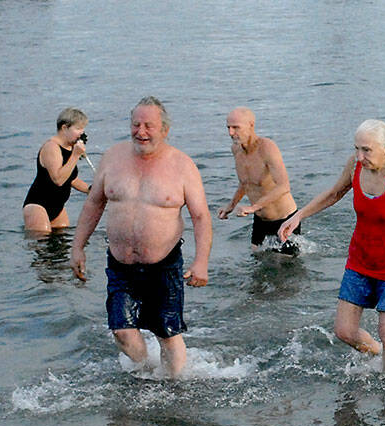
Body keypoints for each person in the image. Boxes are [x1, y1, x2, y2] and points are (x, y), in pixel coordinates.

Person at [278, 119, 385, 373]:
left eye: (366, 150)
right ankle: (383, 357)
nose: (359, 156)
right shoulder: (355, 166)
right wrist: (298, 216)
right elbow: (334, 193)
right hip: (360, 260)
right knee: (344, 331)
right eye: (357, 148)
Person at [70, 97, 213, 378]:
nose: (141, 131)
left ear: (165, 130)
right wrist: (77, 246)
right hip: (120, 264)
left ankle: (173, 385)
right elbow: (94, 204)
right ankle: (148, 372)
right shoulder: (113, 157)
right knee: (122, 332)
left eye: (149, 125)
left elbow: (201, 217)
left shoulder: (182, 166)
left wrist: (201, 262)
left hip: (164, 263)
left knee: (166, 332)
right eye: (136, 124)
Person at [217, 107, 301, 254]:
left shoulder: (267, 148)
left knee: (285, 271)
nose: (231, 133)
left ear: (251, 125)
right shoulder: (236, 150)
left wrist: (252, 208)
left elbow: (284, 186)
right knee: (257, 264)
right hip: (260, 219)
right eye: (228, 128)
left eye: (236, 127)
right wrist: (230, 206)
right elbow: (245, 182)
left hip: (283, 218)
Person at [23, 107, 91, 233]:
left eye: (83, 129)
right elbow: (58, 179)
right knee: (43, 241)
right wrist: (75, 156)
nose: (81, 133)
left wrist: (90, 190)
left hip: (57, 206)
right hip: (38, 205)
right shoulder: (51, 147)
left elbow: (71, 179)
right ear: (64, 128)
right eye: (78, 129)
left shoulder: (70, 149)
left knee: (62, 242)